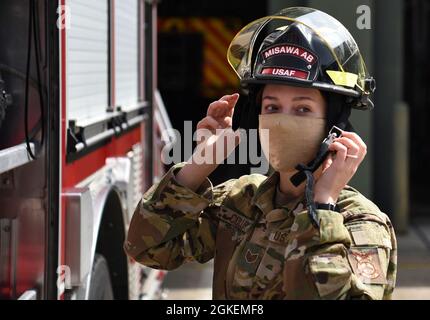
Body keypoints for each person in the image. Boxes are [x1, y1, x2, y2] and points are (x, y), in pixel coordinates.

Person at [124, 7, 397, 300]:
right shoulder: (240, 200)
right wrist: (199, 164)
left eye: (303, 109)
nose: (282, 120)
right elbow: (148, 249)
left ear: (334, 125)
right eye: (271, 107)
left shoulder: (360, 221)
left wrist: (323, 207)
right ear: (254, 117)